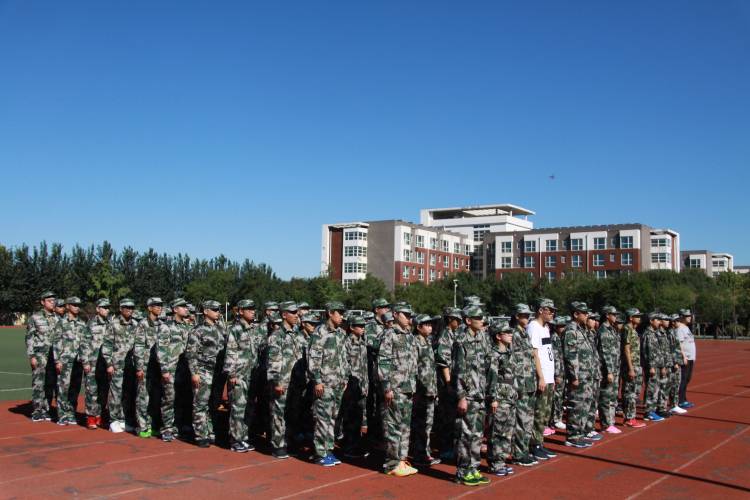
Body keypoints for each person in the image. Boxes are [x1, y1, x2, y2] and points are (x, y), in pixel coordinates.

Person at [452, 305, 493, 486]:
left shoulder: (482, 337)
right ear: (468, 320)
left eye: (482, 317)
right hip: (468, 396)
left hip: (480, 394)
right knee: (465, 434)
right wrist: (461, 396)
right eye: (478, 318)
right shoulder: (461, 340)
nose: (481, 320)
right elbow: (458, 371)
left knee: (477, 434)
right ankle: (462, 471)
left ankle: (473, 468)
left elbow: (487, 365)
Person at [378, 304, 418, 477]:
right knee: (393, 427)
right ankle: (391, 463)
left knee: (405, 427)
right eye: (405, 315)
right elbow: (384, 361)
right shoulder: (389, 334)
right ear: (395, 314)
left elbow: (413, 363)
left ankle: (401, 460)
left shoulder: (409, 336)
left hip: (408, 388)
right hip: (395, 388)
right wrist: (387, 387)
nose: (408, 318)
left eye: (410, 315)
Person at [308, 301, 349, 466]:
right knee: (322, 419)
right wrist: (317, 380)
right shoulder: (320, 332)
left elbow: (344, 358)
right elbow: (314, 359)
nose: (342, 316)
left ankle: (328, 449)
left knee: (333, 418)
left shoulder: (340, 333)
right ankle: (319, 453)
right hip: (325, 384)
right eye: (339, 313)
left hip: (338, 383)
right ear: (330, 313)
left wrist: (345, 378)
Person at [224, 299, 263, 452]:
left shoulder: (254, 329)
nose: (253, 311)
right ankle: (235, 439)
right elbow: (230, 352)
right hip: (239, 375)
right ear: (241, 311)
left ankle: (243, 437)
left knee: (249, 408)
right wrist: (232, 374)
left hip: (251, 375)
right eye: (249, 309)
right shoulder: (236, 329)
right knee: (237, 408)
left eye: (253, 308)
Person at [266, 302, 304, 458]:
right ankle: (278, 445)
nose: (296, 315)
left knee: (292, 413)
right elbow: (273, 361)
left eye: (296, 312)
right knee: (278, 414)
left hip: (295, 382)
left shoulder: (297, 334)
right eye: (292, 312)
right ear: (284, 315)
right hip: (282, 381)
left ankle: (289, 441)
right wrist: (276, 382)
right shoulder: (277, 336)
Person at [186, 300, 225, 447]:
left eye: (219, 309)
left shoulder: (221, 329)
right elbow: (191, 353)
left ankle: (210, 431)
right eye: (214, 309)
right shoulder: (198, 330)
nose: (217, 312)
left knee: (214, 404)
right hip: (203, 370)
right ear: (205, 311)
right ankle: (200, 434)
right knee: (200, 403)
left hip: (218, 372)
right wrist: (194, 373)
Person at [156, 298, 192, 442]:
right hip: (171, 368)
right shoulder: (166, 327)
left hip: (185, 369)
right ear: (175, 309)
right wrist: (164, 370)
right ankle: (166, 428)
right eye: (182, 306)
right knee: (169, 399)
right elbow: (161, 349)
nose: (186, 309)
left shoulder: (188, 327)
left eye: (186, 306)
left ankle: (179, 425)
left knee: (183, 398)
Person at [102, 298, 139, 433]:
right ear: (120, 309)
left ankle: (123, 419)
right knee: (115, 392)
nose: (130, 310)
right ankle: (113, 420)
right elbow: (107, 345)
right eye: (127, 307)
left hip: (131, 365)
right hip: (116, 364)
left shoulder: (136, 324)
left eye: (131, 307)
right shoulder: (113, 324)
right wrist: (109, 364)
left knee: (127, 393)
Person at [528, 299, 557, 461]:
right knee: (539, 413)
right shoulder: (534, 327)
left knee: (545, 413)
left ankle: (540, 442)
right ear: (540, 310)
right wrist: (541, 377)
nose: (552, 313)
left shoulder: (546, 328)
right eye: (549, 310)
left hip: (549, 376)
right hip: (542, 376)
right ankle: (534, 445)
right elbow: (535, 354)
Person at [486, 321, 517, 477]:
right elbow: (491, 378)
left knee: (507, 431)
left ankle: (501, 460)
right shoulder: (494, 354)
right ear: (498, 336)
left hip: (510, 396)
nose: (511, 335)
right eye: (507, 333)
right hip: (500, 397)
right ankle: (495, 463)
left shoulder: (508, 352)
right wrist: (493, 398)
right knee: (497, 431)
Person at [563, 302, 595, 448]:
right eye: (584, 312)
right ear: (576, 314)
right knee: (576, 406)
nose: (587, 315)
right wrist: (574, 376)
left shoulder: (581, 329)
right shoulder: (571, 330)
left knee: (584, 405)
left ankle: (580, 434)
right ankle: (572, 436)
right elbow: (570, 355)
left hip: (586, 375)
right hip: (578, 376)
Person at [410, 314, 440, 467]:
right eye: (426, 324)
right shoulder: (414, 342)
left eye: (430, 324)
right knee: (420, 425)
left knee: (427, 424)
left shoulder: (428, 341)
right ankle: (419, 455)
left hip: (430, 389)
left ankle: (424, 453)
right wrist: (416, 390)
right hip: (420, 390)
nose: (430, 327)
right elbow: (413, 368)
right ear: (418, 327)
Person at [434, 306, 463, 461]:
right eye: (457, 319)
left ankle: (452, 447)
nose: (459, 321)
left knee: (453, 417)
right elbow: (443, 362)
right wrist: (449, 383)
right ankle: (445, 449)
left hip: (453, 381)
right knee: (447, 416)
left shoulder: (454, 333)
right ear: (450, 319)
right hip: (447, 382)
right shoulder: (445, 335)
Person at [510, 304, 538, 466]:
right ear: (517, 316)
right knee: (521, 420)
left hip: (529, 381)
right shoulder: (514, 334)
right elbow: (512, 361)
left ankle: (524, 450)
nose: (527, 318)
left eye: (528, 316)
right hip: (520, 383)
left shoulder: (524, 334)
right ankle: (519, 453)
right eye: (524, 315)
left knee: (528, 419)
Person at [53, 297, 86, 426]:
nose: (77, 307)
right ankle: (62, 415)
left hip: (78, 361)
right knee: (63, 388)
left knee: (75, 388)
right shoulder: (61, 323)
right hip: (65, 360)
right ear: (67, 306)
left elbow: (84, 343)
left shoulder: (82, 323)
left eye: (78, 305)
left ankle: (71, 413)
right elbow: (56, 342)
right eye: (74, 305)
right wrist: (57, 360)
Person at [26, 291, 59, 422]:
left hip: (53, 356)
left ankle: (46, 409)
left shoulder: (58, 318)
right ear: (42, 302)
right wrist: (31, 356)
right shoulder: (35, 318)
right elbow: (29, 338)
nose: (52, 303)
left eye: (54, 300)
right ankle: (37, 410)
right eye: (49, 301)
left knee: (50, 384)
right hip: (40, 356)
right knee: (38, 383)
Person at [134, 297, 164, 438]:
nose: (159, 307)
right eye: (156, 305)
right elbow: (138, 346)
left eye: (160, 305)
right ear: (149, 308)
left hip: (157, 367)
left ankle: (153, 424)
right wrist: (139, 367)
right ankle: (142, 426)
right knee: (143, 396)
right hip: (145, 366)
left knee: (156, 397)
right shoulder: (143, 324)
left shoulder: (162, 325)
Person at [341, 314, 369, 458]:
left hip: (361, 384)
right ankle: (349, 447)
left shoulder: (362, 342)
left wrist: (366, 384)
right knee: (350, 417)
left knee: (358, 416)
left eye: (363, 326)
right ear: (351, 327)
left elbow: (364, 366)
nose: (362, 328)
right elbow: (344, 364)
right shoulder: (347, 343)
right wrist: (346, 382)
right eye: (359, 326)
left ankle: (356, 445)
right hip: (351, 385)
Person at [82, 298, 112, 429]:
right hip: (92, 362)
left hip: (106, 363)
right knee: (91, 390)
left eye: (108, 307)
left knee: (104, 390)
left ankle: (100, 415)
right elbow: (84, 343)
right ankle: (91, 417)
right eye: (104, 307)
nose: (107, 310)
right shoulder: (91, 323)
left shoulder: (111, 323)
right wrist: (85, 362)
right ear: (98, 309)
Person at [597, 306, 622, 434]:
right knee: (606, 398)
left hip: (615, 368)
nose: (615, 316)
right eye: (613, 314)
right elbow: (605, 353)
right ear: (607, 315)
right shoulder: (603, 330)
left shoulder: (612, 329)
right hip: (607, 370)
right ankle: (606, 424)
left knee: (612, 397)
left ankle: (611, 422)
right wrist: (609, 371)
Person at [621, 308, 646, 428]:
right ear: (631, 318)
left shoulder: (633, 330)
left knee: (635, 392)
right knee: (630, 392)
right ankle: (629, 418)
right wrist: (630, 368)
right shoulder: (627, 329)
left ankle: (631, 417)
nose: (639, 318)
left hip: (636, 364)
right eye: (637, 316)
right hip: (630, 366)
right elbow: (626, 349)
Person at [641, 312, 665, 422]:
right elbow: (649, 352)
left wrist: (662, 366)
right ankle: (648, 412)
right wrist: (651, 366)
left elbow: (658, 352)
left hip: (656, 365)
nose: (659, 322)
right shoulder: (648, 334)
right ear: (651, 321)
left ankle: (652, 411)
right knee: (651, 389)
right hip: (652, 366)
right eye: (657, 320)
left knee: (655, 389)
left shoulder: (654, 333)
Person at [549, 316, 569, 431]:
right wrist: (557, 374)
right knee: (557, 397)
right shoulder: (554, 338)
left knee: (560, 396)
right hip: (558, 372)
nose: (563, 328)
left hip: (561, 371)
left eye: (564, 326)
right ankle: (556, 419)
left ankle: (557, 418)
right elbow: (555, 358)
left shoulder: (560, 337)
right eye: (561, 326)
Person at [676, 309, 696, 409]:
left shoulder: (686, 327)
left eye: (690, 316)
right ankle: (681, 400)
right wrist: (684, 356)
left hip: (690, 357)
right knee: (683, 379)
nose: (690, 318)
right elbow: (679, 344)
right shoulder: (680, 328)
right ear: (682, 317)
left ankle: (683, 398)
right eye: (687, 316)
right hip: (686, 358)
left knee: (687, 379)